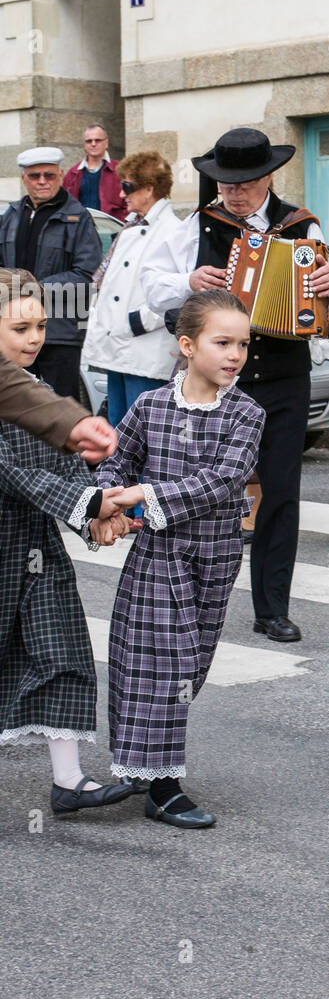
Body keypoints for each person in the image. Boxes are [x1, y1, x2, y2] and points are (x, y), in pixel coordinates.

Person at [142, 127, 329, 643]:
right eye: (224, 183)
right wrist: (187, 283)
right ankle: (185, 594)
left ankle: (271, 608)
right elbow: (150, 287)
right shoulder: (195, 225)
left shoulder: (301, 224)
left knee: (281, 492)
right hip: (215, 377)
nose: (232, 193)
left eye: (244, 183)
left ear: (268, 176)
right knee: (203, 488)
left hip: (284, 377)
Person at [93, 290, 265, 828]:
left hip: (215, 556)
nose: (235, 355)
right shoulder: (150, 406)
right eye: (222, 343)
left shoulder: (247, 413)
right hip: (158, 553)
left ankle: (144, 762)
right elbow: (114, 462)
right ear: (187, 346)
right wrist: (106, 506)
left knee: (192, 663)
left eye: (242, 344)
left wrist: (142, 496)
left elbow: (224, 480)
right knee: (157, 659)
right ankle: (160, 785)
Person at [0, 268, 133, 816]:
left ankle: (69, 781)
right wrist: (88, 507)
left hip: (38, 552)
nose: (35, 338)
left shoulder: (44, 393)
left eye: (41, 326)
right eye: (20, 327)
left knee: (64, 653)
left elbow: (67, 463)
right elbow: (11, 474)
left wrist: (100, 510)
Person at [82, 151, 181, 523]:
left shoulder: (172, 229)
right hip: (116, 351)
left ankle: (144, 506)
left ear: (149, 189)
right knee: (121, 435)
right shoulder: (131, 226)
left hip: (144, 349)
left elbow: (175, 289)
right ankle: (121, 502)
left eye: (128, 187)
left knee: (147, 435)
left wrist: (139, 321)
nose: (122, 194)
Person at [0, 147, 101, 401]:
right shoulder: (11, 215)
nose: (42, 181)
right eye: (35, 176)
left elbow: (87, 276)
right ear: (24, 179)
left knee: (58, 406)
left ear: (61, 175)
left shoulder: (79, 218)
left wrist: (32, 291)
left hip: (59, 333)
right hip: (12, 332)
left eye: (49, 175)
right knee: (16, 406)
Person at [0, 351, 116, 461]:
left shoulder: (45, 390)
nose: (34, 339)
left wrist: (73, 423)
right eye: (20, 330)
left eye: (41, 328)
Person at [63, 124, 126, 219]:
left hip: (112, 230)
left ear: (106, 143)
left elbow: (130, 204)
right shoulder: (73, 173)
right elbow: (65, 206)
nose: (93, 144)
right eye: (89, 141)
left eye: (98, 140)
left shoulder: (120, 170)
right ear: (84, 144)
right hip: (81, 229)